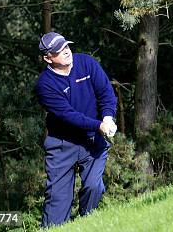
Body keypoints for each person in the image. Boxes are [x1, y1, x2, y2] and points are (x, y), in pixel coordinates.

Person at [35, 32, 118, 227]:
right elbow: (70, 116)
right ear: (48, 58)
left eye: (66, 46)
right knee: (57, 204)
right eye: (59, 50)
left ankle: (86, 225)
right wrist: (99, 125)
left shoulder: (86, 63)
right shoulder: (45, 84)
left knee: (93, 187)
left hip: (93, 140)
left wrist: (107, 117)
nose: (66, 51)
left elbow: (106, 92)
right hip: (63, 144)